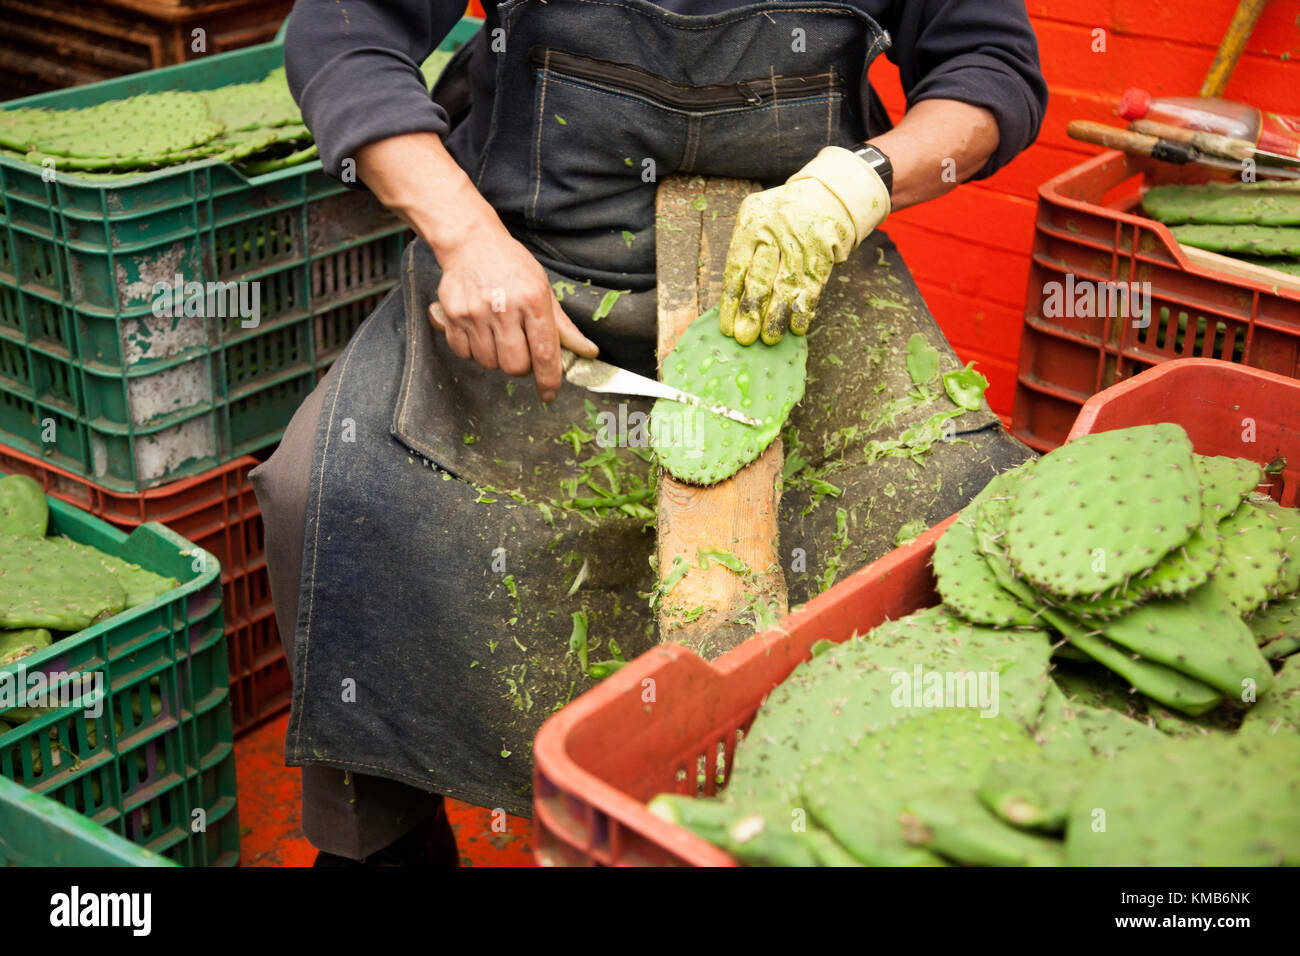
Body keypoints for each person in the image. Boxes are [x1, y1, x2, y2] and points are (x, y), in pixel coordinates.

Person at [252, 0, 1048, 865]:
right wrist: (467, 237)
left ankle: (838, 824)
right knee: (328, 491)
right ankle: (389, 838)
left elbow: (989, 68)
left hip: (795, 284)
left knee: (962, 503)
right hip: (528, 279)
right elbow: (343, 31)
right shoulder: (488, 250)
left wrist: (857, 184)